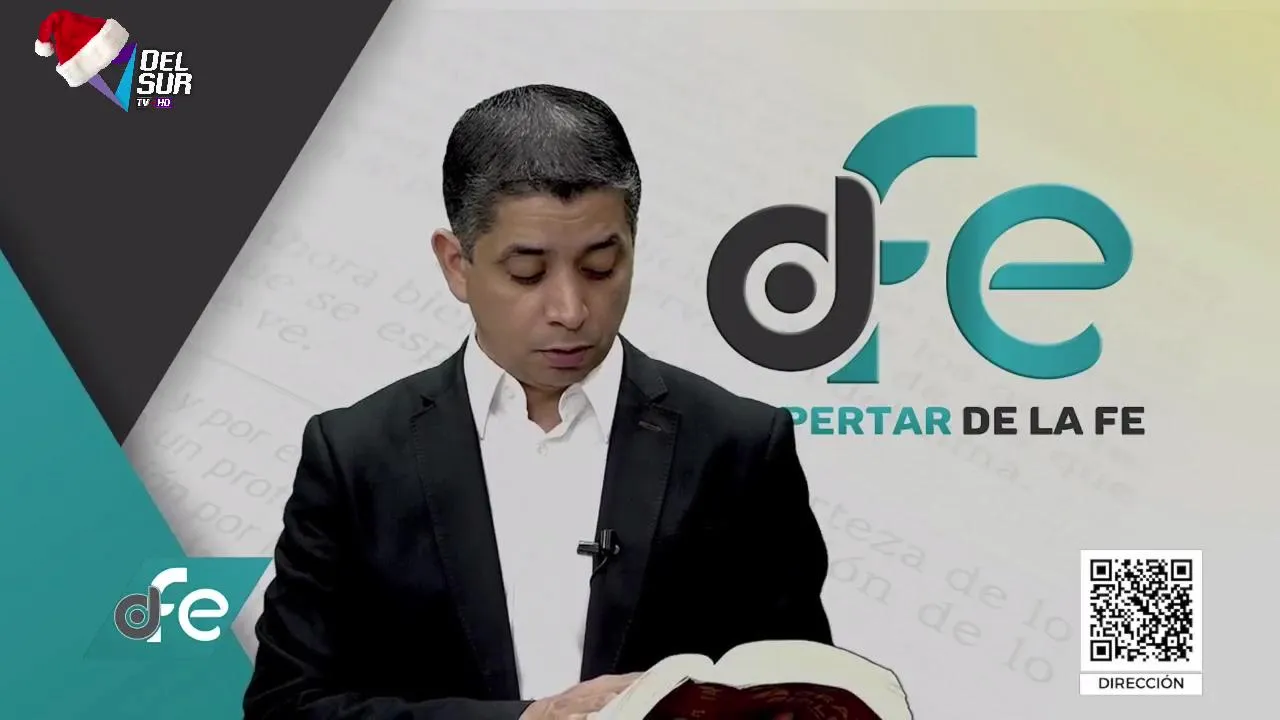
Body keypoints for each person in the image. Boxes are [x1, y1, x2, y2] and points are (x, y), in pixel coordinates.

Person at [244, 84, 832, 720]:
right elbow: (287, 706)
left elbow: (803, 699)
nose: (571, 310)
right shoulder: (355, 456)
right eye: (527, 272)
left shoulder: (739, 448)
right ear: (456, 264)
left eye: (601, 267)